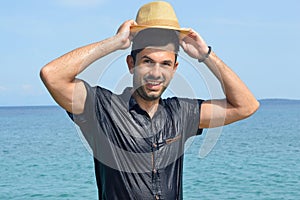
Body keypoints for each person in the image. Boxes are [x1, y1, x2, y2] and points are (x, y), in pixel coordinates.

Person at [40, 1, 259, 199]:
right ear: (131, 64)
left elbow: (247, 106)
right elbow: (52, 75)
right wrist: (114, 43)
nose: (156, 73)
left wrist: (205, 54)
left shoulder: (183, 112)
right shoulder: (102, 108)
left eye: (165, 64)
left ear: (174, 69)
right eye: (147, 61)